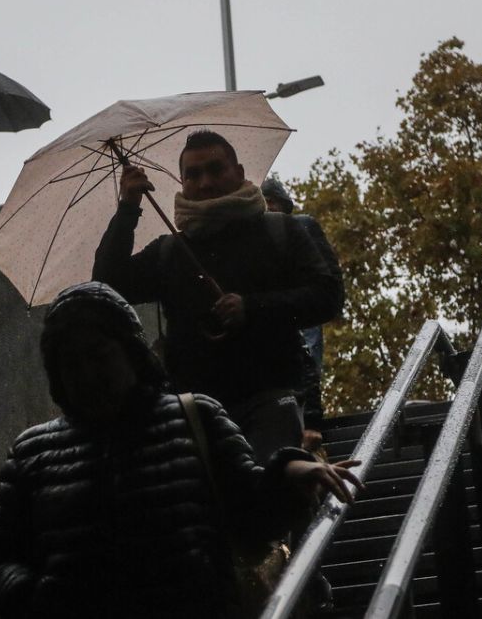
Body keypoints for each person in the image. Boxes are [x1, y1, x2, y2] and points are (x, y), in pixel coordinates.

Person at [0, 281, 362, 619]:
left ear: (132, 352)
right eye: (70, 363)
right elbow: (4, 553)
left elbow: (253, 516)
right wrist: (29, 600)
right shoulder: (30, 453)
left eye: (98, 355)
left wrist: (288, 473)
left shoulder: (195, 416)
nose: (86, 374)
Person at [93, 130, 344, 462]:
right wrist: (128, 208)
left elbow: (328, 296)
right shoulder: (170, 251)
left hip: (272, 399)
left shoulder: (281, 231)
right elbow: (108, 285)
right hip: (195, 413)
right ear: (182, 182)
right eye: (193, 174)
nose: (205, 182)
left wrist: (252, 308)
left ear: (239, 173)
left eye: (216, 169)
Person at [261, 177, 342, 431]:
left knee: (307, 353)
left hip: (303, 306)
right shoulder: (257, 239)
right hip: (278, 310)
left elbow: (329, 275)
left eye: (270, 202)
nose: (267, 207)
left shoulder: (302, 225)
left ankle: (311, 419)